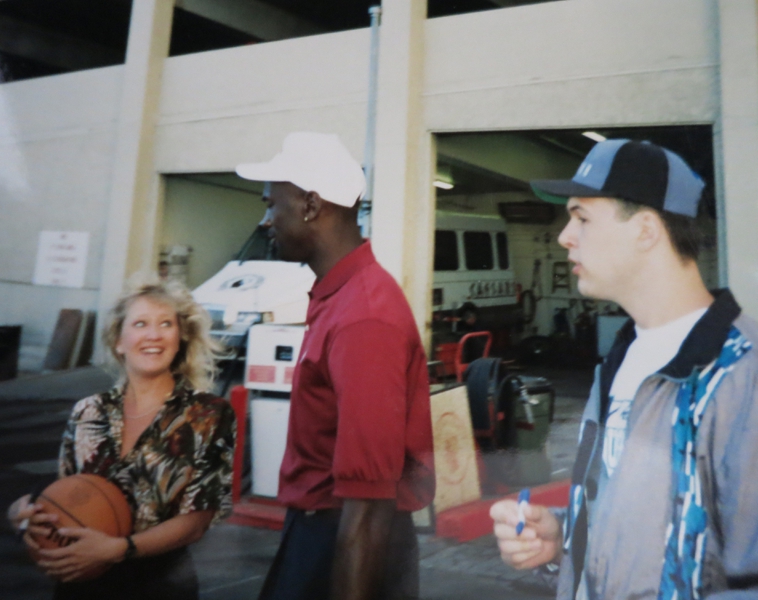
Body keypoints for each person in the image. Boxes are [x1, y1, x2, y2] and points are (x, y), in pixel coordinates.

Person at [491, 139, 758, 598]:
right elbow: (634, 524)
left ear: (646, 231)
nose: (564, 236)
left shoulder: (740, 375)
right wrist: (562, 543)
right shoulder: (619, 362)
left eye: (582, 217)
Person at [235, 131, 435, 600]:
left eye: (272, 205)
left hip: (346, 544)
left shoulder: (364, 317)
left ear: (309, 205)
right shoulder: (340, 297)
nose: (266, 221)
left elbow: (367, 506)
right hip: (322, 532)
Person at [7, 279, 235, 600]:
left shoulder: (207, 414)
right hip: (81, 580)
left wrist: (119, 548)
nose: (153, 335)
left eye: (165, 324)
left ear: (180, 336)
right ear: (119, 341)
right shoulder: (88, 411)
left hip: (160, 584)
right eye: (140, 323)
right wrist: (24, 513)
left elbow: (197, 520)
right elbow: (68, 495)